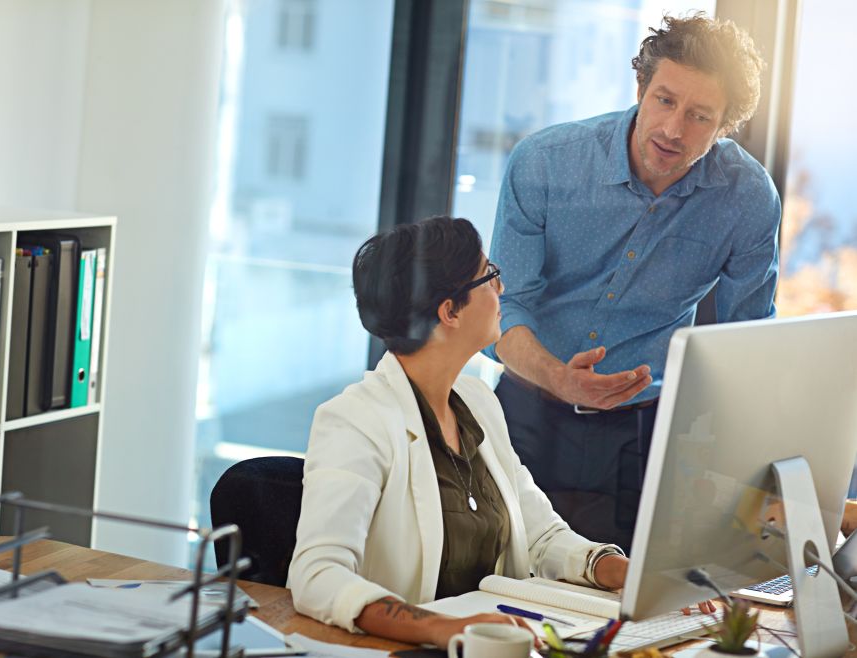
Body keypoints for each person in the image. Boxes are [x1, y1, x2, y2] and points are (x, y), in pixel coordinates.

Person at [488, 13, 780, 552]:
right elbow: (503, 308)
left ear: (724, 126)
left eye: (699, 116)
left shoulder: (747, 199)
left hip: (641, 434)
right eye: (664, 100)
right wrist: (559, 377)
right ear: (641, 88)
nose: (673, 130)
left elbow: (748, 340)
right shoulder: (545, 163)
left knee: (616, 586)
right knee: (498, 567)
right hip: (525, 411)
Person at [288, 216, 631, 648]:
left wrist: (620, 571)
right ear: (449, 311)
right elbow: (317, 574)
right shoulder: (356, 419)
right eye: (490, 277)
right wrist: (439, 627)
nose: (501, 288)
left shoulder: (478, 401)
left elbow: (541, 535)